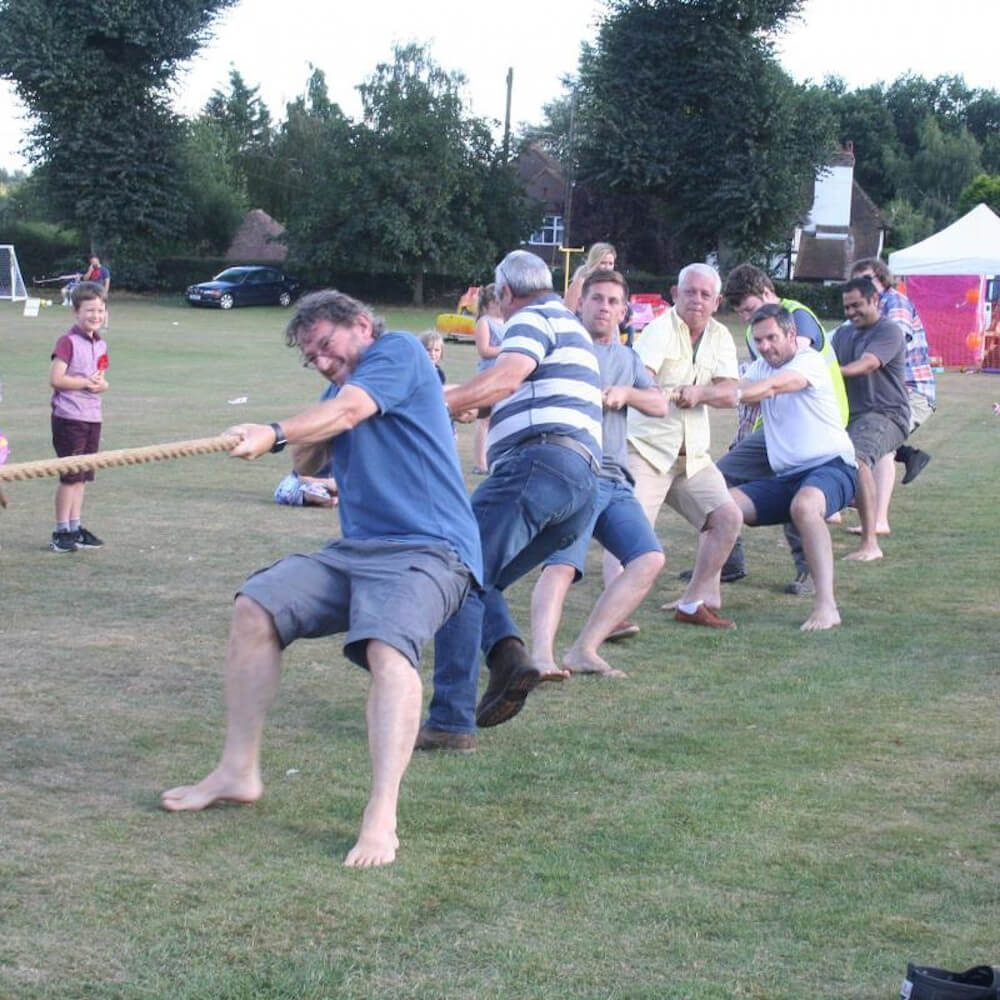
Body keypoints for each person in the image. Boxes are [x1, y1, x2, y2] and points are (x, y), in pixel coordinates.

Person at [161, 290, 483, 868]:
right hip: (356, 549)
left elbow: (347, 412)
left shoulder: (402, 353)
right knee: (256, 606)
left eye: (327, 347)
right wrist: (276, 437)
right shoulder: (339, 390)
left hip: (430, 549)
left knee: (388, 647)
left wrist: (278, 429)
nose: (324, 363)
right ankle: (238, 770)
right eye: (313, 358)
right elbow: (309, 462)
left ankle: (382, 815)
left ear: (361, 324)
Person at [415, 249, 602, 752]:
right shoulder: (569, 324)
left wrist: (427, 405)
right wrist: (477, 405)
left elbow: (504, 377)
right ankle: (508, 658)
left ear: (504, 293)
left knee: (456, 569)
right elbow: (515, 390)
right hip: (581, 482)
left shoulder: (530, 318)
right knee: (480, 575)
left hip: (539, 465)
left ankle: (451, 721)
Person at [674, 304, 857, 631]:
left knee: (805, 506)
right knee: (720, 507)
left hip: (832, 467)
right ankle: (702, 596)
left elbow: (767, 389)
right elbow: (733, 386)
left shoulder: (808, 361)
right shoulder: (761, 367)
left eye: (771, 338)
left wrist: (704, 394)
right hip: (786, 476)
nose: (765, 346)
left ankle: (827, 606)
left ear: (791, 335)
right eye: (758, 340)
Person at [528, 270, 666, 678]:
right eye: (597, 299)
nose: (604, 307)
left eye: (612, 302)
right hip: (574, 474)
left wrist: (628, 394)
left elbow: (659, 403)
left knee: (648, 559)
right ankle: (539, 657)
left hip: (615, 480)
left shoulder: (628, 359)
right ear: (581, 303)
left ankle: (584, 649)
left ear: (624, 312)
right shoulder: (566, 347)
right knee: (562, 565)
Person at [705, 263, 849, 596]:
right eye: (742, 315)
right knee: (716, 481)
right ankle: (725, 561)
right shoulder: (756, 330)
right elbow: (750, 380)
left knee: (801, 493)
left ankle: (810, 573)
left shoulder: (796, 318)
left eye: (751, 309)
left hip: (816, 427)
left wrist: (739, 393)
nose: (764, 343)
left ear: (768, 293)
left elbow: (784, 376)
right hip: (774, 427)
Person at [621, 262, 744, 629]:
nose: (697, 300)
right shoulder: (659, 330)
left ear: (717, 301)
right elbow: (642, 382)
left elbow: (730, 392)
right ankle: (615, 617)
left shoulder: (720, 335)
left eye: (706, 294)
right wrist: (676, 393)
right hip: (647, 449)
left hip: (692, 457)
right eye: (690, 292)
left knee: (727, 517)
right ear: (675, 294)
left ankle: (693, 602)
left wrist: (701, 392)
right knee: (631, 531)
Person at [848, 258, 934, 533]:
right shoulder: (862, 309)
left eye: (868, 279)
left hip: (912, 392)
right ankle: (910, 455)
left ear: (882, 281)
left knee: (881, 442)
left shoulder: (894, 304)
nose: (862, 286)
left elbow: (890, 343)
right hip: (883, 394)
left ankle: (878, 521)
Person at [832, 277, 910, 562]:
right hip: (852, 417)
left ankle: (870, 544)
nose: (851, 312)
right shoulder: (843, 335)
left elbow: (866, 365)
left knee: (858, 460)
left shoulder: (889, 331)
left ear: (875, 301)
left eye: (857, 305)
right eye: (846, 307)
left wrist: (830, 372)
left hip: (886, 414)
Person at [48, 281, 110, 553]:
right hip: (69, 417)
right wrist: (84, 383)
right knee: (70, 477)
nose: (95, 316)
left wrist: (101, 385)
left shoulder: (101, 343)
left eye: (99, 310)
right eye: (89, 310)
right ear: (76, 312)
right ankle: (61, 530)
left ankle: (75, 527)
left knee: (83, 477)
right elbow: (57, 379)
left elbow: (100, 378)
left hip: (92, 417)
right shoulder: (68, 342)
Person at [472, 283, 504, 474]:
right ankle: (480, 463)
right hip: (488, 375)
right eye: (497, 301)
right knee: (484, 419)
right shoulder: (484, 321)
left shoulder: (508, 321)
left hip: (503, 375)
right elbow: (484, 350)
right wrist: (508, 349)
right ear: (489, 303)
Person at [564, 242, 616, 314]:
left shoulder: (613, 287)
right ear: (594, 262)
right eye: (603, 263)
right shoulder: (580, 284)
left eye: (610, 263)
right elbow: (567, 314)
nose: (607, 268)